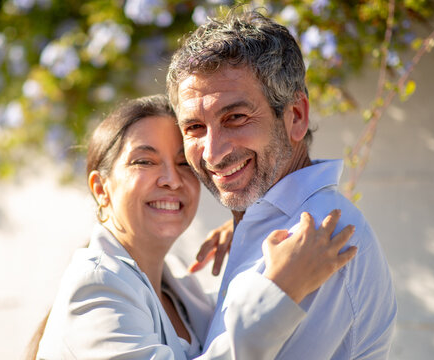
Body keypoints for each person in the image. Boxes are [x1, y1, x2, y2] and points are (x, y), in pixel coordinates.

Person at [34, 94, 357, 359]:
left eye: (183, 164)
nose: (172, 180)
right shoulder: (96, 287)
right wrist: (280, 291)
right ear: (101, 189)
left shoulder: (181, 291)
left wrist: (252, 227)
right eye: (144, 161)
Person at [166, 9, 397, 359]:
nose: (212, 153)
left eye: (236, 117)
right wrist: (244, 226)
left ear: (296, 117)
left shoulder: (318, 238)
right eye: (194, 127)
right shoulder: (267, 224)